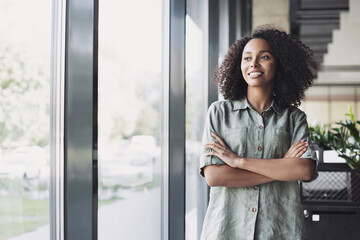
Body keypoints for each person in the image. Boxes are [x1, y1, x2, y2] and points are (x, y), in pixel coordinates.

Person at [199, 25, 319, 240]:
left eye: (264, 57)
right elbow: (215, 175)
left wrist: (238, 162)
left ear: (279, 64)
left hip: (280, 230)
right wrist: (281, 166)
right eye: (247, 58)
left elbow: (304, 170)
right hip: (227, 230)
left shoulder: (294, 118)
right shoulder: (219, 112)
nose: (253, 64)